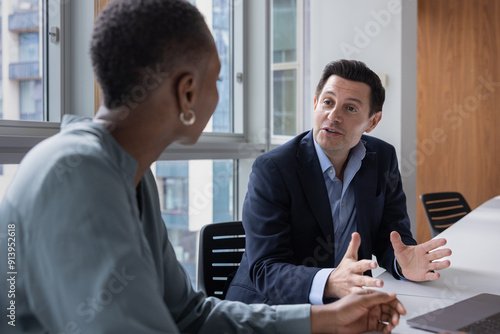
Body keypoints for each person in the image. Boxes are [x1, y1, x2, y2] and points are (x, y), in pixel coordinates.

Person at [0, 1, 406, 333]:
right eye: (218, 79)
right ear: (187, 91)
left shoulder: (132, 178)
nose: (218, 94)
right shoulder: (78, 176)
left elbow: (189, 313)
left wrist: (325, 320)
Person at [225, 59, 452, 305]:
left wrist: (401, 262)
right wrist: (331, 281)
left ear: (373, 122)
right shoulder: (273, 169)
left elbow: (392, 234)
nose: (333, 116)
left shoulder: (382, 158)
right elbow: (265, 269)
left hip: (347, 302)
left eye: (350, 108)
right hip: (271, 309)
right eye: (328, 102)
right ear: (315, 104)